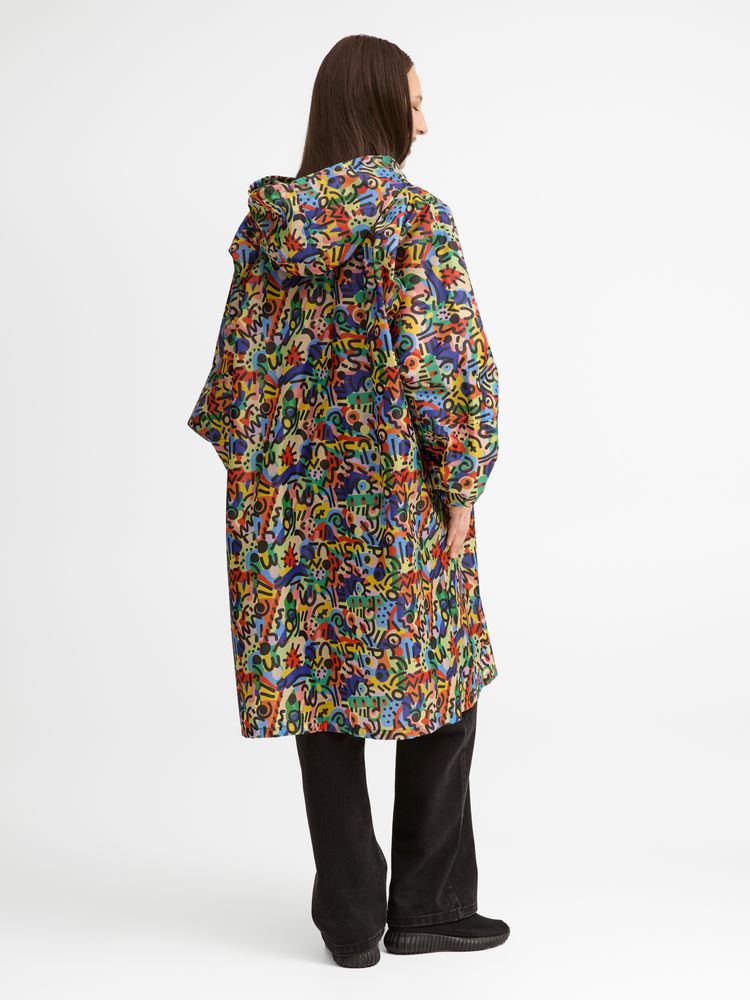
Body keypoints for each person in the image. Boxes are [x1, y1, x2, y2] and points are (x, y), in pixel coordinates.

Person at [187, 33, 509, 967]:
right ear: (375, 108)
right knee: (442, 685)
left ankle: (349, 919)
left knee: (320, 690)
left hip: (287, 515)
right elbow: (448, 365)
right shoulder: (413, 220)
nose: (424, 122)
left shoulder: (270, 233)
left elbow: (232, 388)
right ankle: (428, 905)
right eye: (414, 102)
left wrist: (273, 491)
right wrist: (463, 479)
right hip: (398, 505)